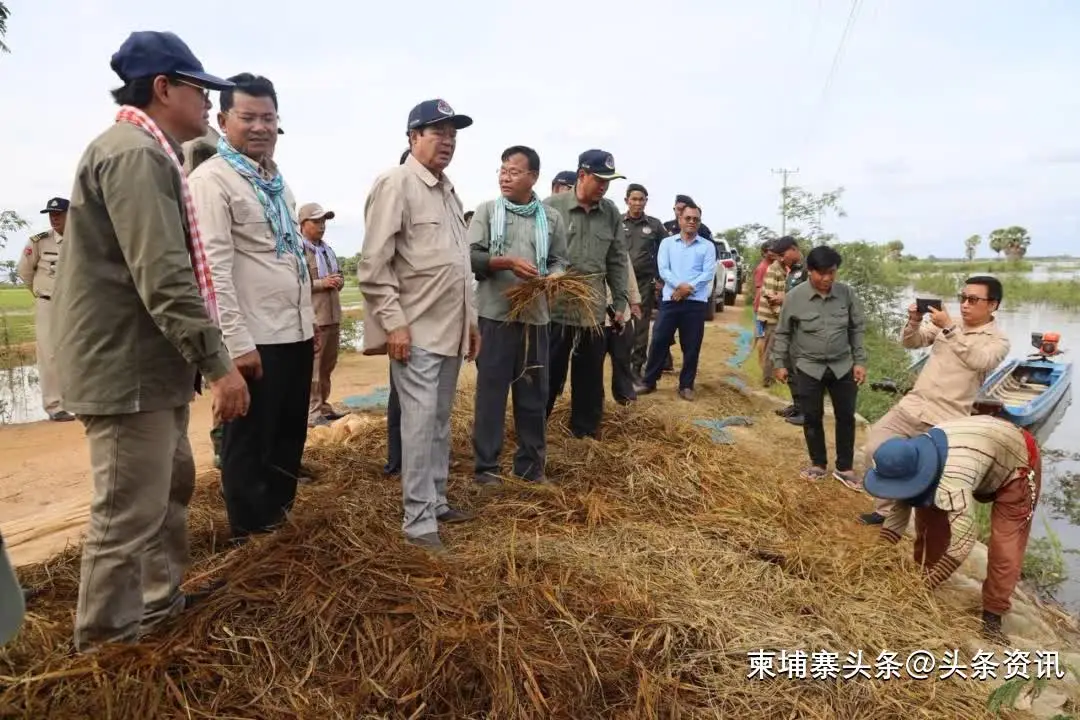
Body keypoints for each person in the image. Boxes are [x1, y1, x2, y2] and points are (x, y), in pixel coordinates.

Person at [52, 30, 248, 651]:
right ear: (164, 88)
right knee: (126, 514)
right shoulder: (134, 154)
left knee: (169, 490)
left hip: (149, 367)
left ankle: (161, 606)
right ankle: (105, 650)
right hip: (125, 367)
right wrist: (220, 367)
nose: (207, 104)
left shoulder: (154, 151)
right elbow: (164, 279)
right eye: (199, 90)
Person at [189, 73, 317, 539]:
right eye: (248, 117)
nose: (260, 127)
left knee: (288, 436)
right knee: (250, 442)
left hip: (295, 331)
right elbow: (214, 271)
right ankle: (249, 535)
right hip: (255, 341)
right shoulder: (212, 181)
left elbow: (288, 256)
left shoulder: (277, 183)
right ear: (224, 121)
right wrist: (236, 345)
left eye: (268, 117)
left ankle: (278, 523)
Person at [358, 98, 481, 552]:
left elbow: (459, 265)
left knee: (439, 423)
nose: (447, 141)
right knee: (418, 424)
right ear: (413, 138)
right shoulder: (396, 183)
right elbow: (374, 265)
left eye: (452, 134)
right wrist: (394, 324)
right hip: (416, 332)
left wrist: (471, 323)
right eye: (437, 132)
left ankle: (438, 498)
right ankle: (418, 521)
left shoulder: (449, 191)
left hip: (449, 332)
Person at [864, 415, 1041, 643]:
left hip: (1016, 461)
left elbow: (964, 542)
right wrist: (875, 558)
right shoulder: (913, 457)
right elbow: (901, 505)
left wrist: (927, 583)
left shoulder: (952, 479)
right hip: (977, 449)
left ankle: (992, 617)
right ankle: (924, 579)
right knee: (927, 519)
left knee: (1005, 544)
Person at [858, 276, 1010, 525]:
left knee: (930, 477)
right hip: (912, 406)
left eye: (973, 300)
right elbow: (911, 342)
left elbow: (981, 361)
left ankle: (908, 519)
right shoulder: (948, 324)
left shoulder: (997, 340)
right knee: (875, 450)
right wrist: (915, 320)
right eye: (963, 298)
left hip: (946, 419)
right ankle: (884, 511)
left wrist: (950, 329)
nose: (965, 305)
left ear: (992, 305)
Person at [469, 145, 568, 487]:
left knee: (533, 397)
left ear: (533, 177)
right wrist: (507, 262)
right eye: (502, 170)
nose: (505, 176)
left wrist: (554, 278)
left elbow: (559, 261)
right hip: (494, 317)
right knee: (491, 396)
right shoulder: (486, 212)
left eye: (513, 171)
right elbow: (471, 257)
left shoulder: (551, 219)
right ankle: (486, 469)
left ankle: (530, 468)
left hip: (536, 319)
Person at [543, 149, 629, 439]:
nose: (605, 186)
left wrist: (620, 300)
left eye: (609, 180)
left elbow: (617, 258)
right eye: (600, 179)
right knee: (548, 373)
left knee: (590, 376)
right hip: (555, 308)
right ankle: (535, 430)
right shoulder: (551, 207)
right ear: (582, 175)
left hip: (592, 309)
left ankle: (584, 434)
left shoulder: (611, 212)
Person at [771, 245, 866, 488]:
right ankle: (818, 464)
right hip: (808, 366)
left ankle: (844, 467)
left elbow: (856, 329)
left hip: (842, 366)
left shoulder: (846, 294)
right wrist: (780, 363)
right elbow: (782, 332)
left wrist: (859, 361)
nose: (827, 279)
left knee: (846, 416)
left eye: (832, 272)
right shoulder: (795, 297)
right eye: (821, 273)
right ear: (810, 271)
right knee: (812, 417)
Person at [635, 201, 717, 401]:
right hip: (670, 300)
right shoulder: (667, 243)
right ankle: (649, 381)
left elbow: (707, 274)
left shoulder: (707, 247)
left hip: (696, 303)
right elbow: (663, 270)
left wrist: (687, 290)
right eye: (687, 218)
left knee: (691, 345)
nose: (691, 222)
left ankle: (686, 386)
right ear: (680, 219)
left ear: (699, 222)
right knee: (659, 340)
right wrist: (679, 287)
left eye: (696, 219)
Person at [16, 197, 73, 421]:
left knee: (77, 353)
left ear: (71, 215)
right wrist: (43, 294)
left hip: (75, 307)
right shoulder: (39, 242)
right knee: (49, 354)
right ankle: (54, 406)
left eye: (58, 213)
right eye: (50, 214)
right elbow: (25, 273)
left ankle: (77, 401)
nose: (54, 217)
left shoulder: (82, 241)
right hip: (48, 304)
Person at [300, 202, 347, 427]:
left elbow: (338, 274)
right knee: (314, 370)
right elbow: (296, 283)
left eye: (324, 222)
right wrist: (322, 283)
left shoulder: (327, 250)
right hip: (314, 319)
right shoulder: (298, 250)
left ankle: (323, 405)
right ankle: (312, 411)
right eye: (316, 221)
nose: (322, 226)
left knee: (328, 365)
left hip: (332, 316)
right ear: (303, 224)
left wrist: (338, 281)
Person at [620, 183, 667, 378]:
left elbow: (667, 250)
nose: (638, 203)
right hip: (619, 281)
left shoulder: (655, 225)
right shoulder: (616, 222)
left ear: (646, 201)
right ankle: (620, 365)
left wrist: (660, 277)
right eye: (634, 199)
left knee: (640, 325)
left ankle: (636, 368)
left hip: (643, 283)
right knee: (618, 323)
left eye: (641, 199)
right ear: (627, 201)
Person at [604, 253, 642, 404]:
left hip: (621, 315)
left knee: (623, 358)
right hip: (592, 317)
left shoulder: (618, 247)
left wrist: (634, 301)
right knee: (591, 367)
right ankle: (593, 404)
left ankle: (625, 396)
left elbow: (629, 274)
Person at [752, 240, 777, 363]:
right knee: (761, 336)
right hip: (761, 307)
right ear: (764, 252)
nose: (773, 252)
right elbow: (760, 289)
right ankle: (762, 363)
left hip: (765, 306)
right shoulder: (763, 268)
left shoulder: (773, 266)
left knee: (765, 336)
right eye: (770, 250)